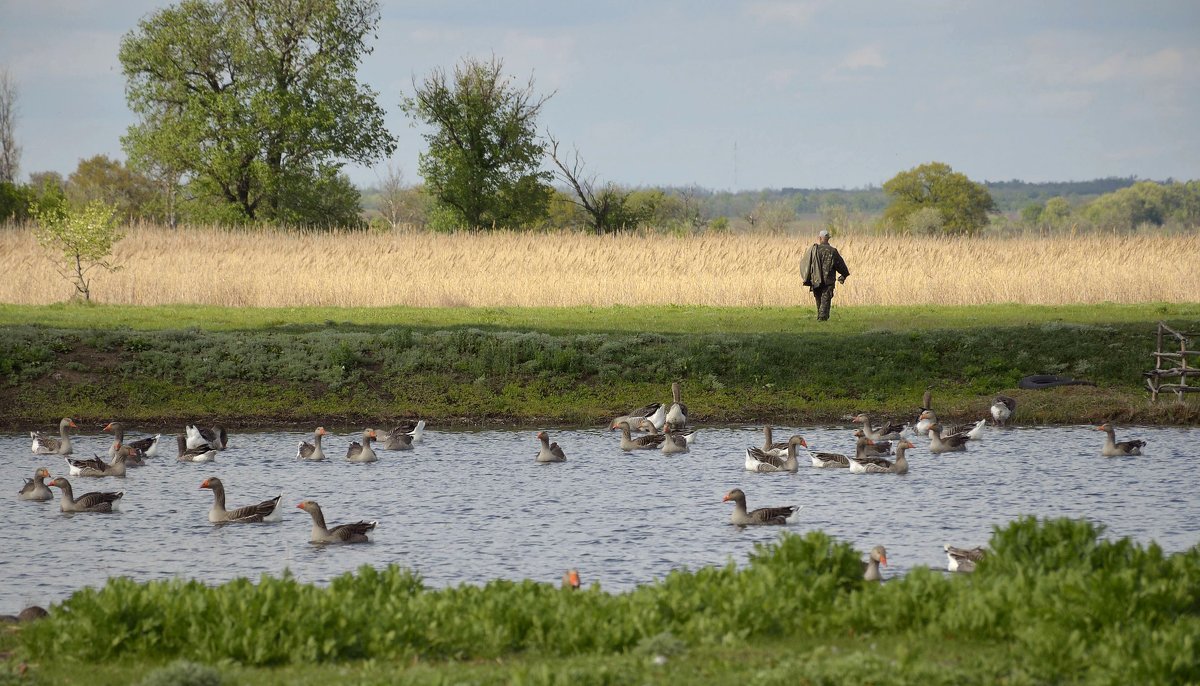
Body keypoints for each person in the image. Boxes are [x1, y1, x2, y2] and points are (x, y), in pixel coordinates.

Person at [800, 229, 849, 321]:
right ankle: (822, 319)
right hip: (828, 281)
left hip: (815, 280)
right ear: (828, 239)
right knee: (825, 300)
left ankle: (820, 318)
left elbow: (806, 264)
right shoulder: (833, 251)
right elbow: (841, 265)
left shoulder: (814, 250)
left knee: (819, 300)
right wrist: (844, 275)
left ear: (820, 238)